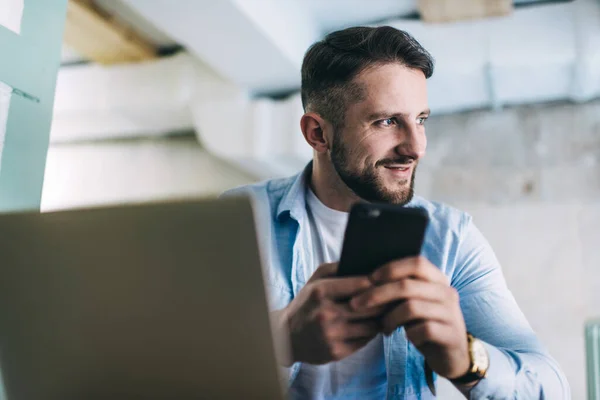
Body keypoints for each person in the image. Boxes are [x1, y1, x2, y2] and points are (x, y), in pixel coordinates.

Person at [224, 26, 570, 399]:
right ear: (318, 134)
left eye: (420, 119)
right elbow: (166, 370)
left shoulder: (451, 237)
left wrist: (465, 357)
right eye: (387, 121)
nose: (416, 147)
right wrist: (280, 341)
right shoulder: (237, 221)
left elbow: (552, 389)